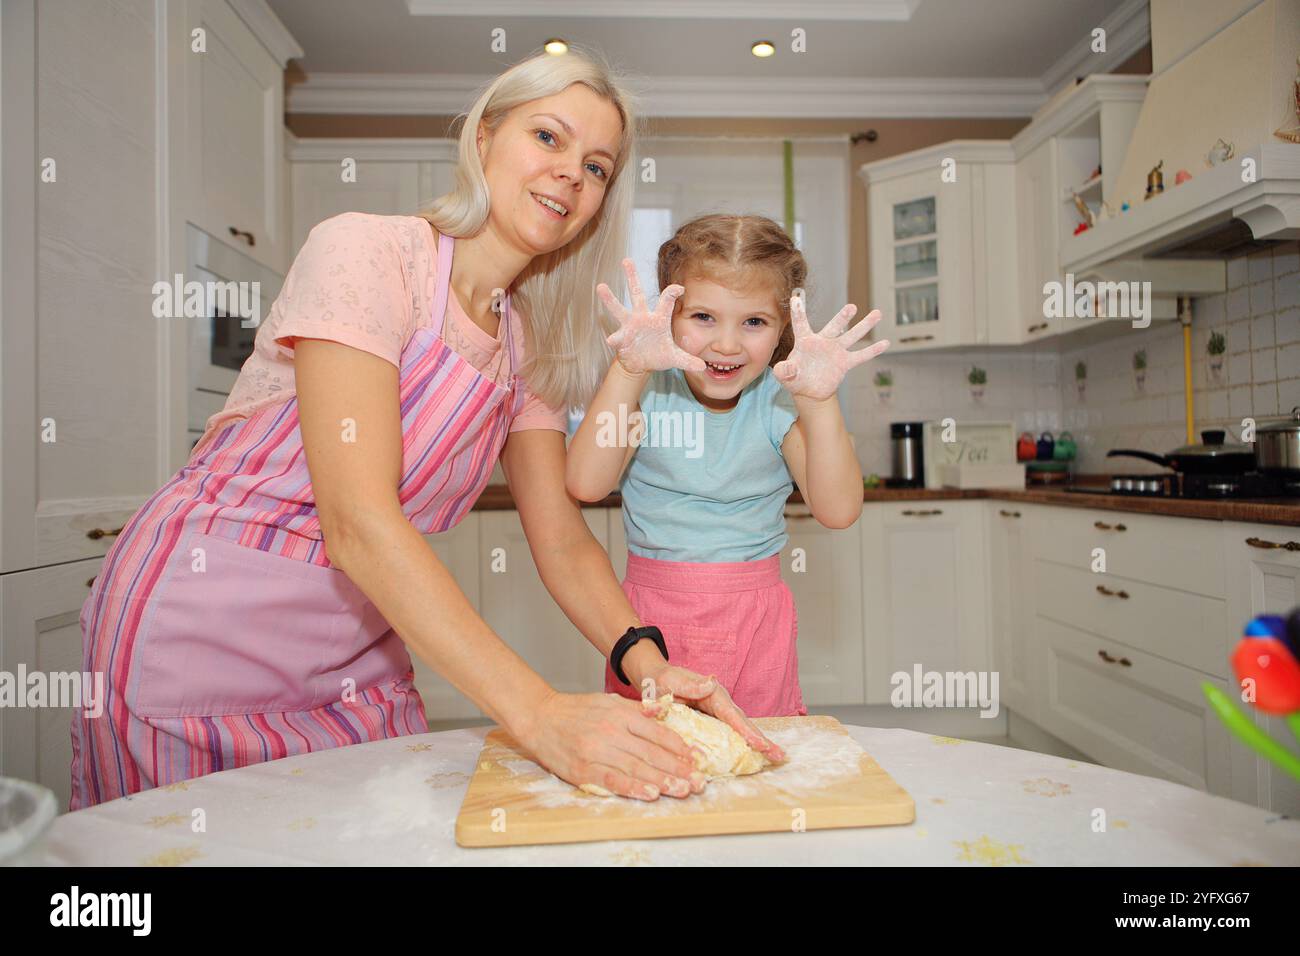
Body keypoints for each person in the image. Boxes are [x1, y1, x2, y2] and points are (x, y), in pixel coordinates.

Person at [72, 50, 783, 811]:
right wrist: (539, 714)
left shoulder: (526, 342)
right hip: (204, 633)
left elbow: (561, 538)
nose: (572, 174)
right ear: (484, 140)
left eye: (598, 166)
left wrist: (646, 660)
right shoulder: (369, 253)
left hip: (354, 649)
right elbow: (358, 522)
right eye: (548, 138)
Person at [566, 214, 890, 716]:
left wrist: (822, 403)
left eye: (754, 322)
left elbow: (838, 509)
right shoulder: (647, 391)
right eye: (703, 317)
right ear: (669, 314)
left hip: (756, 621)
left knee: (757, 763)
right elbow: (586, 482)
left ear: (783, 327)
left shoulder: (780, 402)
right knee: (653, 762)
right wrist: (628, 370)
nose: (727, 344)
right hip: (649, 625)